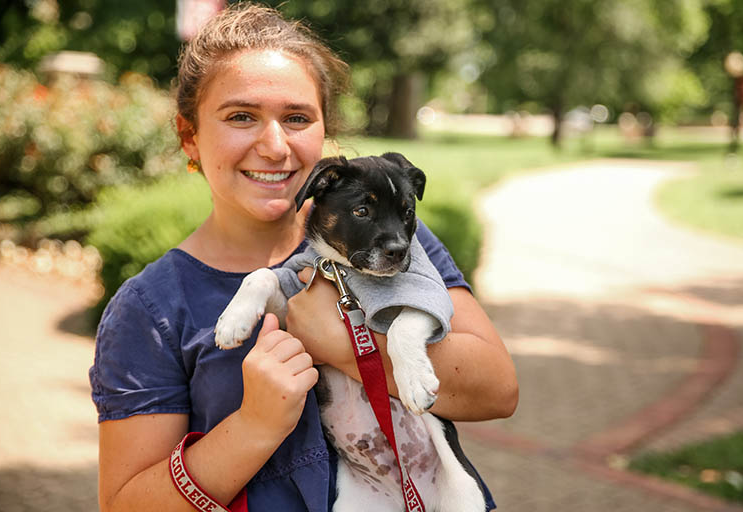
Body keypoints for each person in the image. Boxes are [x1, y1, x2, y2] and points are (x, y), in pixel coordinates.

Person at [89, 3, 518, 511]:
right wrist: (253, 427)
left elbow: (498, 391)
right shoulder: (151, 309)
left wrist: (345, 346)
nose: (274, 146)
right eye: (241, 116)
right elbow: (126, 505)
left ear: (324, 132)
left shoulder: (391, 241)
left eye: (296, 118)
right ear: (190, 136)